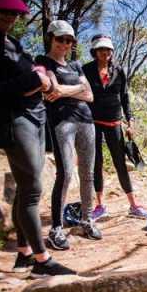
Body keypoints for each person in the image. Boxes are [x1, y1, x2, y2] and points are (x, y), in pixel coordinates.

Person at [0, 0, 75, 275]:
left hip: (35, 116)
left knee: (26, 188)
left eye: (14, 12)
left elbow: (30, 69)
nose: (10, 16)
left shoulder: (9, 41)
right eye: (3, 11)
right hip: (14, 120)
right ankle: (42, 260)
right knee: (32, 189)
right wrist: (36, 81)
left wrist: (40, 76)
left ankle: (24, 253)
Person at [36, 20, 102, 250]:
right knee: (64, 173)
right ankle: (56, 228)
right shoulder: (43, 62)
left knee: (88, 173)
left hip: (86, 121)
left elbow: (91, 96)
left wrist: (66, 90)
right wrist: (77, 89)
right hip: (62, 122)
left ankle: (86, 220)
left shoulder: (75, 66)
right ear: (51, 38)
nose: (65, 43)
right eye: (60, 39)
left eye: (69, 40)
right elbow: (52, 90)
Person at [82, 34, 147, 219]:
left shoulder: (118, 71)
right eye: (102, 49)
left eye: (108, 49)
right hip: (92, 123)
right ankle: (100, 205)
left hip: (114, 123)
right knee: (97, 163)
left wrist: (130, 121)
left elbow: (125, 97)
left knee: (120, 163)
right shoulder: (86, 70)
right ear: (95, 51)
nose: (106, 53)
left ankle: (133, 205)